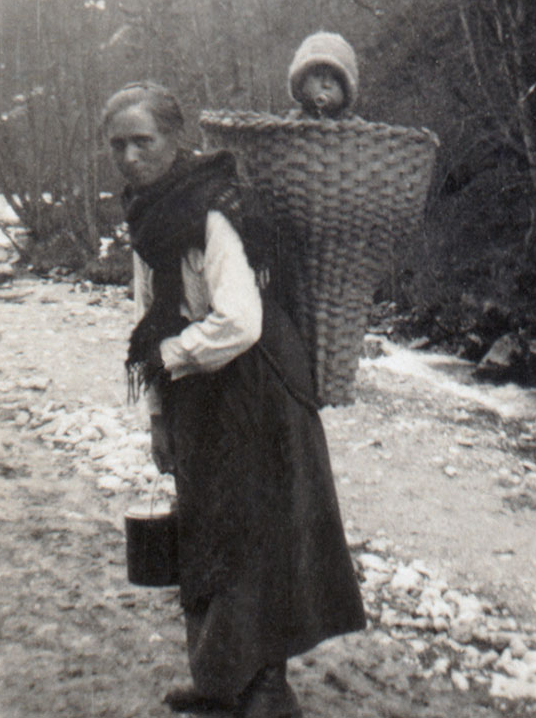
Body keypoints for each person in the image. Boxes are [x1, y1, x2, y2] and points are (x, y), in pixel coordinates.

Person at [100, 81, 365, 718]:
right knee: (204, 529)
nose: (131, 156)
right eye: (119, 146)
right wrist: (158, 418)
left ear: (174, 140)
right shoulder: (147, 213)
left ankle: (268, 689)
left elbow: (240, 321)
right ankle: (217, 677)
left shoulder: (211, 212)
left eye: (145, 141)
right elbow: (151, 315)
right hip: (202, 382)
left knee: (256, 534)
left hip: (260, 384)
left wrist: (168, 362)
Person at [285, 32, 360, 119]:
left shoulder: (357, 129)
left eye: (336, 79)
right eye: (318, 75)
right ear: (301, 82)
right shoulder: (288, 126)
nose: (326, 84)